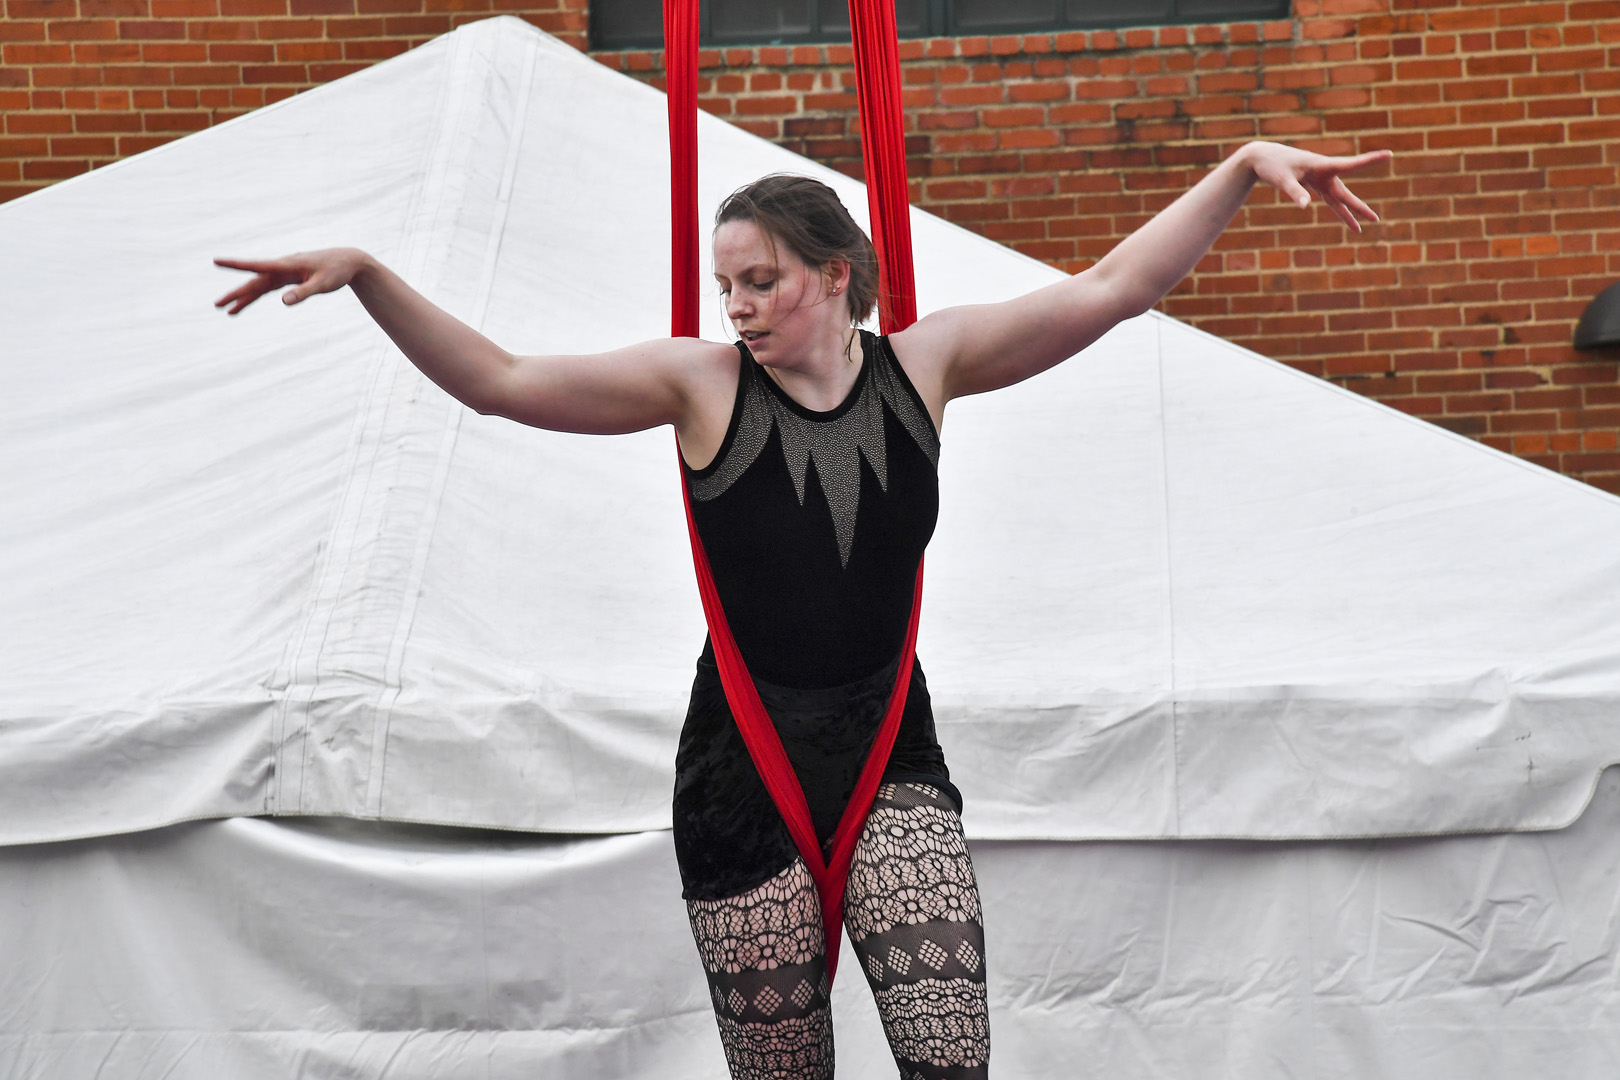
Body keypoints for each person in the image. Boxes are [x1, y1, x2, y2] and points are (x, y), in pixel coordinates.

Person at [215, 139, 1389, 1080]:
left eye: (762, 281)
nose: (738, 307)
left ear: (836, 273)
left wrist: (1242, 168)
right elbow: (503, 384)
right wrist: (369, 276)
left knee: (950, 1055)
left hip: (888, 750)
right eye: (726, 286)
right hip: (742, 766)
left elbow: (1113, 290)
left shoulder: (926, 366)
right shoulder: (699, 385)